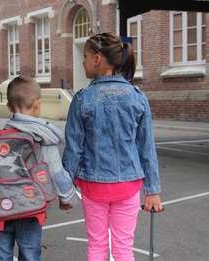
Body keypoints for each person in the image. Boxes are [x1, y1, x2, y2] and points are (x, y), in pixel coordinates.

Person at [62, 32, 163, 261]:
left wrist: (65, 189)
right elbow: (146, 147)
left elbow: (74, 149)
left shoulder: (82, 99)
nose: (83, 62)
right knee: (123, 248)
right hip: (128, 184)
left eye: (85, 57)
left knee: (96, 245)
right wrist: (153, 191)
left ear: (97, 59)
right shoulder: (137, 97)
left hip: (93, 184)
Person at [0, 76, 78, 261]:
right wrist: (67, 197)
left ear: (9, 107)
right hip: (31, 209)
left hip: (1, 210)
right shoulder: (42, 139)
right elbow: (56, 172)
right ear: (37, 104)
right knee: (30, 254)